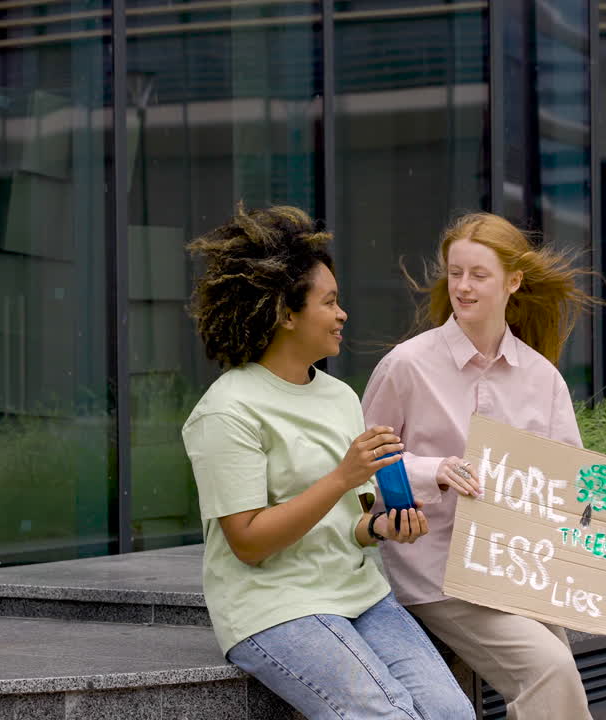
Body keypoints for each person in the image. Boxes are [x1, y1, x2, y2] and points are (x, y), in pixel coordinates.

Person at [180, 204, 475, 720]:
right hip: (275, 607)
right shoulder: (228, 410)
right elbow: (247, 542)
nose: (343, 314)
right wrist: (344, 475)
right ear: (286, 313)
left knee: (454, 714)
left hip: (359, 594)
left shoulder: (338, 396)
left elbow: (346, 524)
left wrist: (381, 527)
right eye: (330, 302)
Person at [361, 212, 606, 720]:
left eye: (477, 275)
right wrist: (434, 469)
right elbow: (363, 466)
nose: (462, 286)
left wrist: (589, 569)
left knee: (557, 670)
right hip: (436, 571)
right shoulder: (406, 365)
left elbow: (572, 489)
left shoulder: (542, 377)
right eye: (455, 272)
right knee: (549, 669)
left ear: (513, 281)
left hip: (519, 568)